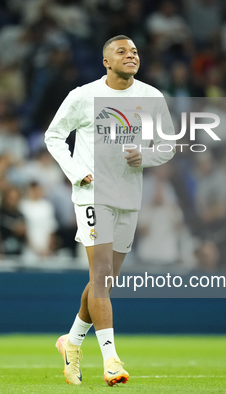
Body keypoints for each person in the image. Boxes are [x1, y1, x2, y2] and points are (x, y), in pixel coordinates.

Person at [45, 35, 175, 386]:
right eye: (122, 52)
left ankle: (70, 342)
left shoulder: (151, 98)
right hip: (92, 194)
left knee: (105, 281)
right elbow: (54, 136)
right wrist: (76, 173)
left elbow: (168, 145)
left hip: (128, 197)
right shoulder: (83, 96)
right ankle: (111, 360)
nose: (131, 56)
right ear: (106, 62)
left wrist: (144, 157)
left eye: (134, 51)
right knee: (101, 274)